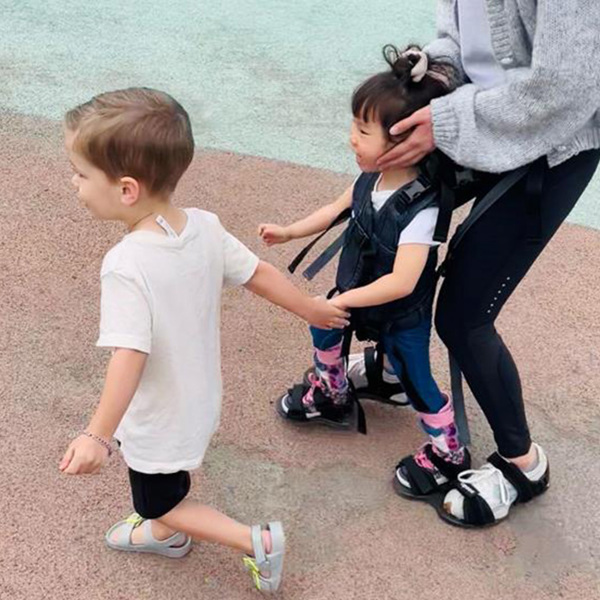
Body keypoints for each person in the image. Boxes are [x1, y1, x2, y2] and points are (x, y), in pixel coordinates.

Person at [58, 87, 349, 593]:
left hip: (158, 415)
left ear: (127, 189)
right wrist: (313, 308)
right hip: (199, 398)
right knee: (168, 483)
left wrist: (96, 435)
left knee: (157, 499)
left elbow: (130, 355)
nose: (75, 184)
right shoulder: (205, 227)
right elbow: (257, 272)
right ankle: (167, 536)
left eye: (82, 175)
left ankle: (252, 540)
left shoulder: (127, 265)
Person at [373, 2, 600, 527]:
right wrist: (431, 68)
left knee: (463, 313)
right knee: (390, 228)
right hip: (475, 116)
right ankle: (393, 367)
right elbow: (457, 38)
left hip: (553, 145)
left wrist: (447, 118)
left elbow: (567, 88)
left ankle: (523, 464)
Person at [259, 46, 473, 505]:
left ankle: (448, 451)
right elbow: (335, 210)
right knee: (321, 320)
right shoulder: (370, 180)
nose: (351, 139)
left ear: (404, 142)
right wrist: (288, 230)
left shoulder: (424, 205)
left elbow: (403, 280)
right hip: (358, 292)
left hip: (398, 314)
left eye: (362, 130)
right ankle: (333, 393)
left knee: (417, 379)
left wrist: (343, 301)